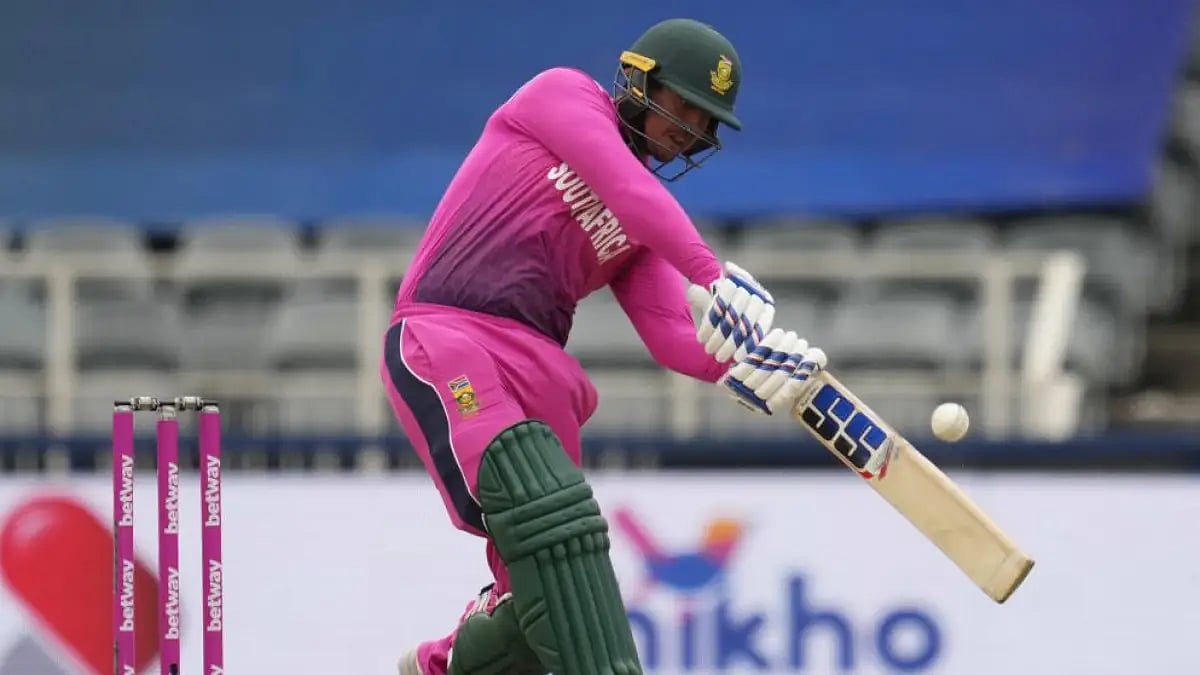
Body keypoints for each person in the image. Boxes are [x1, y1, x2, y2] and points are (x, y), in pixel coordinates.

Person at [382, 17, 826, 675]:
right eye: (687, 108)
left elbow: (676, 338)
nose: (693, 132)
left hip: (538, 370)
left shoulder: (640, 230)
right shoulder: (559, 97)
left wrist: (748, 362)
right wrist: (711, 271)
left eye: (707, 124)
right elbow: (627, 188)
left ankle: (439, 664)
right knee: (543, 515)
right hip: (448, 334)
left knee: (553, 583)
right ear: (640, 80)